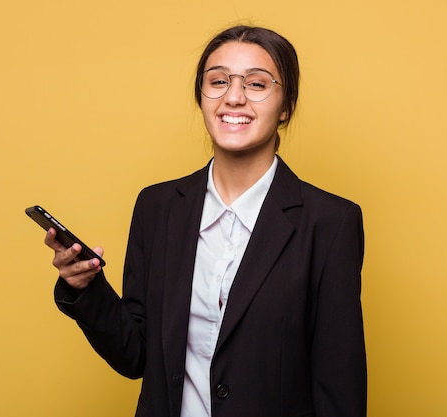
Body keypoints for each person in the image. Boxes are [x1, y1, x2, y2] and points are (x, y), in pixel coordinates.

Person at [45, 25, 366, 417]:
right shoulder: (157, 207)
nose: (234, 97)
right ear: (201, 96)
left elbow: (339, 385)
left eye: (257, 84)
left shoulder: (331, 223)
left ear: (286, 106)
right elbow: (136, 355)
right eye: (217, 81)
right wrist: (86, 288)